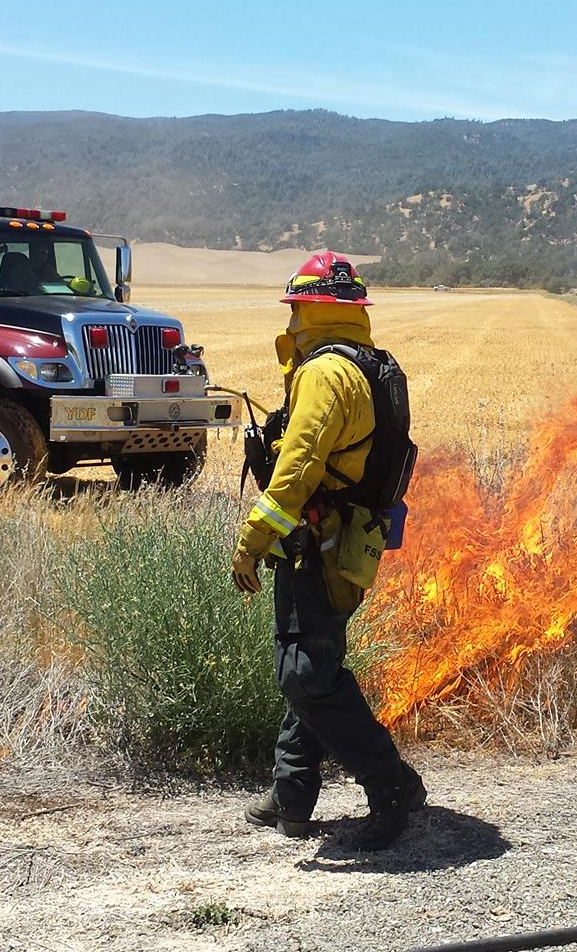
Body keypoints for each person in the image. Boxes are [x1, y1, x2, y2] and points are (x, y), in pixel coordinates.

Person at [231, 251, 426, 850]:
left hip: (316, 542)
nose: (290, 318)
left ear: (316, 307)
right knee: (314, 664)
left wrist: (252, 539)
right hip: (356, 541)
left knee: (304, 673)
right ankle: (291, 795)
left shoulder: (323, 373)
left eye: (296, 306)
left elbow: (297, 467)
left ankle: (390, 784)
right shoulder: (376, 365)